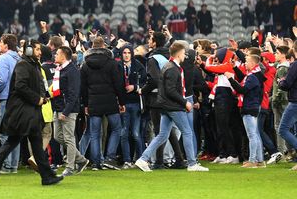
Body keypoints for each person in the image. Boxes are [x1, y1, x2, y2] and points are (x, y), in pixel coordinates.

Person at [0, 40, 63, 186]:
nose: (39, 52)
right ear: (30, 50)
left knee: (34, 143)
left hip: (28, 111)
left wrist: (44, 96)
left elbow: (34, 85)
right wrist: (37, 99)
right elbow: (21, 86)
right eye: (37, 49)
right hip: (23, 111)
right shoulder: (24, 65)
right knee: (16, 142)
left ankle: (46, 176)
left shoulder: (32, 65)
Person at [135, 42, 209, 172]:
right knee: (186, 132)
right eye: (184, 53)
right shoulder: (173, 69)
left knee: (162, 135)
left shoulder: (169, 67)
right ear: (179, 54)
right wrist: (184, 102)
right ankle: (192, 164)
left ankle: (142, 159)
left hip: (165, 106)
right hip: (173, 106)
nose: (185, 56)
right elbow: (171, 90)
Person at [81, 36, 125, 170]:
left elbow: (83, 87)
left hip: (93, 102)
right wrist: (121, 101)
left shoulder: (85, 65)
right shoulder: (112, 63)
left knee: (95, 133)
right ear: (104, 46)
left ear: (92, 47)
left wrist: (86, 105)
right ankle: (109, 158)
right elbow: (119, 84)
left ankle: (96, 163)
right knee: (117, 129)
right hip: (110, 101)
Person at [51, 46, 89, 176]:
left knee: (68, 138)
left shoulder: (72, 70)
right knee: (58, 136)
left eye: (57, 53)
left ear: (63, 56)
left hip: (69, 109)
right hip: (58, 108)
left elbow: (74, 93)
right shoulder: (59, 69)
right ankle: (81, 160)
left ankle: (70, 167)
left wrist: (66, 111)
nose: (55, 56)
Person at [226, 54, 264, 168]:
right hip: (253, 106)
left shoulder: (252, 77)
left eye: (247, 61)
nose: (245, 63)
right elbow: (243, 81)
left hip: (249, 107)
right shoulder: (254, 75)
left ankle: (252, 161)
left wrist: (230, 79)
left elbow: (242, 90)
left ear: (253, 64)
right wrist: (235, 68)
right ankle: (260, 161)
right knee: (255, 134)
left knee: (252, 135)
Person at [0, 34, 21, 174]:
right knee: (16, 133)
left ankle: (7, 165)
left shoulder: (4, 58)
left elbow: (3, 80)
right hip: (19, 99)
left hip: (6, 98)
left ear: (6, 45)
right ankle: (14, 166)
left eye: (1, 43)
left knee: (5, 133)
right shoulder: (20, 58)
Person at [278, 59, 297, 171]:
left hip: (295, 102)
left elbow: (287, 84)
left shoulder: (295, 65)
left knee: (283, 129)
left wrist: (281, 81)